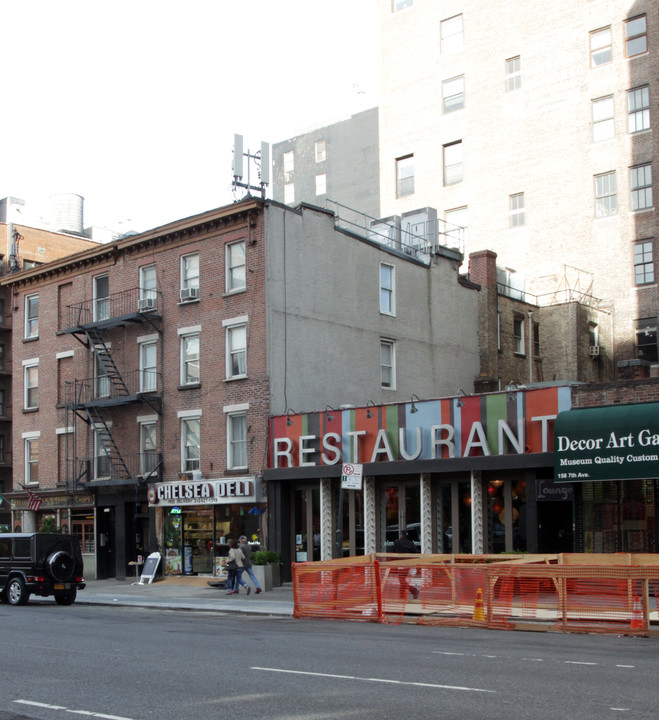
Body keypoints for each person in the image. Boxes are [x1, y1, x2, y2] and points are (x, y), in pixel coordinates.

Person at [392, 528, 420, 599]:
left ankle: (413, 590)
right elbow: (416, 552)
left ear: (401, 535)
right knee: (402, 580)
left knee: (401, 580)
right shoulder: (410, 543)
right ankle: (402, 596)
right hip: (409, 563)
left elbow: (393, 552)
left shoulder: (396, 542)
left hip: (401, 564)